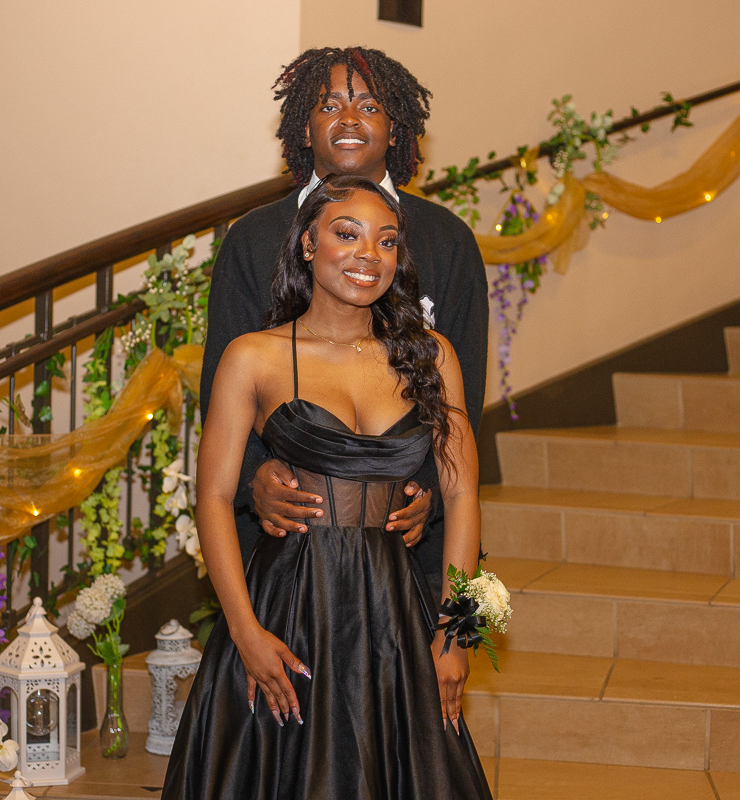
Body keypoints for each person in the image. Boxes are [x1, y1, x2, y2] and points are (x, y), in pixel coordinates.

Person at [162, 175, 492, 799]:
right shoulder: (252, 356)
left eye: (387, 241)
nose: (370, 254)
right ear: (308, 243)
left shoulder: (431, 356)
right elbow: (213, 498)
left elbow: (461, 496)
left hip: (394, 611)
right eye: (348, 234)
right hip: (287, 605)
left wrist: (455, 635)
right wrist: (244, 632)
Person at [200, 47, 489, 604]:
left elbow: (463, 397)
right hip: (290, 548)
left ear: (396, 129)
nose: (350, 119)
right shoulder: (253, 240)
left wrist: (425, 491)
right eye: (329, 105)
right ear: (305, 129)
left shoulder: (447, 240)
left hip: (408, 548)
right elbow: (222, 387)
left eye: (370, 106)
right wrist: (255, 478)